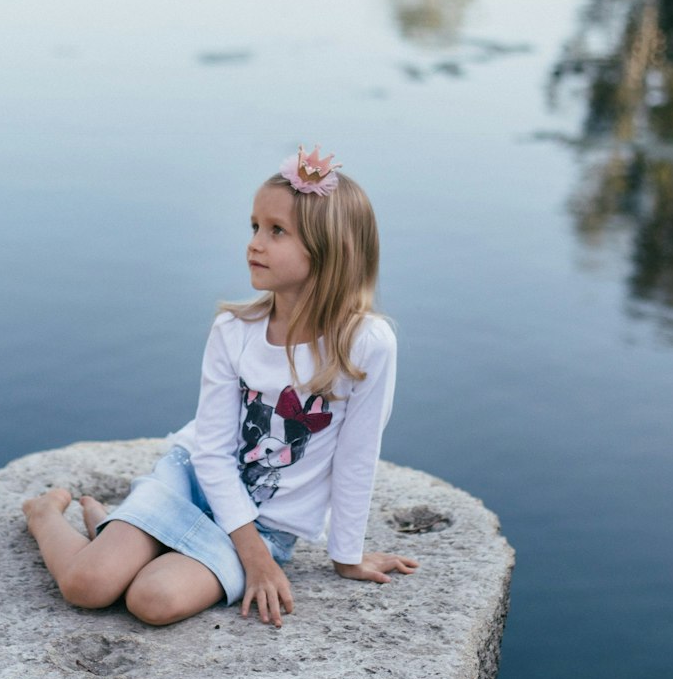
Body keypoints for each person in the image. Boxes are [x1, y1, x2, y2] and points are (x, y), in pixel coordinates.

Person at [22, 145, 417, 628]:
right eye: (254, 227)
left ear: (330, 249)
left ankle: (119, 531)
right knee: (89, 586)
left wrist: (346, 555)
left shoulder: (367, 344)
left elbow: (357, 456)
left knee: (154, 600)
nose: (255, 243)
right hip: (192, 484)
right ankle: (46, 515)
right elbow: (209, 453)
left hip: (267, 524)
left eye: (277, 232)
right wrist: (253, 561)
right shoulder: (234, 330)